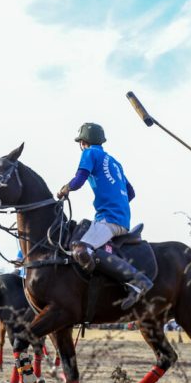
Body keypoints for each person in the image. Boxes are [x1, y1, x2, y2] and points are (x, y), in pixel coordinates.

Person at [56, 123, 152, 309]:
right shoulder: (115, 162)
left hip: (110, 219)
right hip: (119, 218)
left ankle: (138, 281)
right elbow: (130, 192)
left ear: (83, 142)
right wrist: (116, 203)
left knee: (81, 249)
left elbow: (80, 179)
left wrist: (65, 189)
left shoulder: (89, 153)